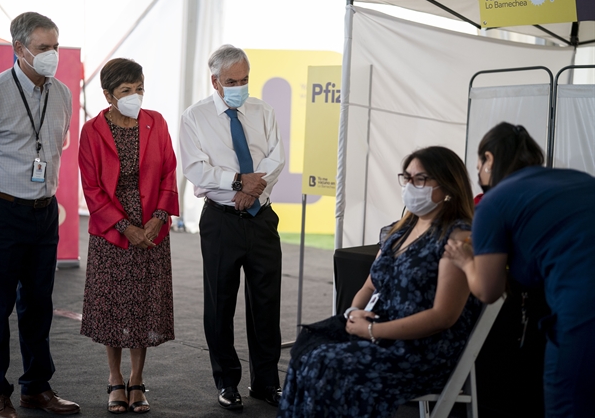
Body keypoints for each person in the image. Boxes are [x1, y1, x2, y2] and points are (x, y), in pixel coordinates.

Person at [278, 146, 482, 418]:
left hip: (418, 349)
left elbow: (442, 316)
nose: (410, 185)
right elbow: (369, 286)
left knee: (327, 363)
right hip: (379, 331)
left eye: (420, 179)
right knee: (307, 347)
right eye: (407, 177)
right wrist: (354, 312)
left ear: (447, 185)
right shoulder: (399, 230)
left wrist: (373, 331)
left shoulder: (457, 238)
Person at [0, 12, 79, 418]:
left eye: (55, 46)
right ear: (19, 48)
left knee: (39, 305)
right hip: (1, 212)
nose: (52, 54)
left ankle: (36, 388)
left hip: (44, 214)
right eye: (43, 48)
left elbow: (58, 144)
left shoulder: (63, 93)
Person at [444, 122, 595, 418]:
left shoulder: (494, 201)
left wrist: (466, 261)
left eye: (479, 165)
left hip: (583, 316)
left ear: (489, 159)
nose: (479, 174)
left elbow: (488, 290)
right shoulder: (579, 179)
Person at [179, 44, 285, 411]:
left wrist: (252, 189)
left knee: (267, 303)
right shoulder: (194, 117)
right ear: (215, 81)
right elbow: (196, 168)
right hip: (221, 220)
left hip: (261, 218)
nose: (240, 87)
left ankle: (267, 383)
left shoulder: (263, 111)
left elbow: (276, 157)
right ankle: (227, 382)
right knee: (220, 303)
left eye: (244, 80)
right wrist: (239, 182)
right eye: (232, 81)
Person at [78, 58, 179, 414]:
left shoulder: (156, 122)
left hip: (152, 229)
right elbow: (92, 189)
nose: (135, 96)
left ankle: (137, 380)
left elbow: (169, 172)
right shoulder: (92, 131)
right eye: (126, 91)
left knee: (144, 306)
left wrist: (159, 218)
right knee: (114, 308)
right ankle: (115, 379)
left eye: (139, 89)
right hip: (112, 233)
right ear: (108, 95)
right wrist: (125, 226)